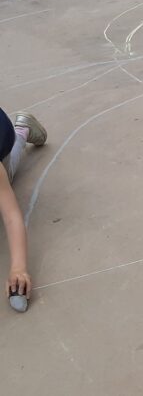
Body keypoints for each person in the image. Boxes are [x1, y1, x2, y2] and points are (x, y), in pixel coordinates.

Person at [0, 108, 47, 310]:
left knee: (6, 176)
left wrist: (18, 268)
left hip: (3, 136)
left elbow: (11, 215)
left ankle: (22, 129)